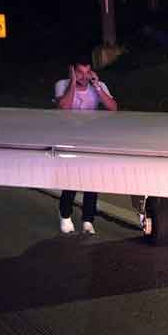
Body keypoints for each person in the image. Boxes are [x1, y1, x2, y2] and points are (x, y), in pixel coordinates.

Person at [54, 51, 118, 235]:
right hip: (70, 139)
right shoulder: (62, 85)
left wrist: (97, 85)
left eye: (86, 72)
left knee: (92, 180)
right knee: (72, 179)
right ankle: (65, 214)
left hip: (92, 139)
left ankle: (88, 219)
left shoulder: (98, 85)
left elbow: (113, 108)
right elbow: (63, 107)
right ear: (72, 71)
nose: (84, 76)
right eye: (79, 72)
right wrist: (73, 82)